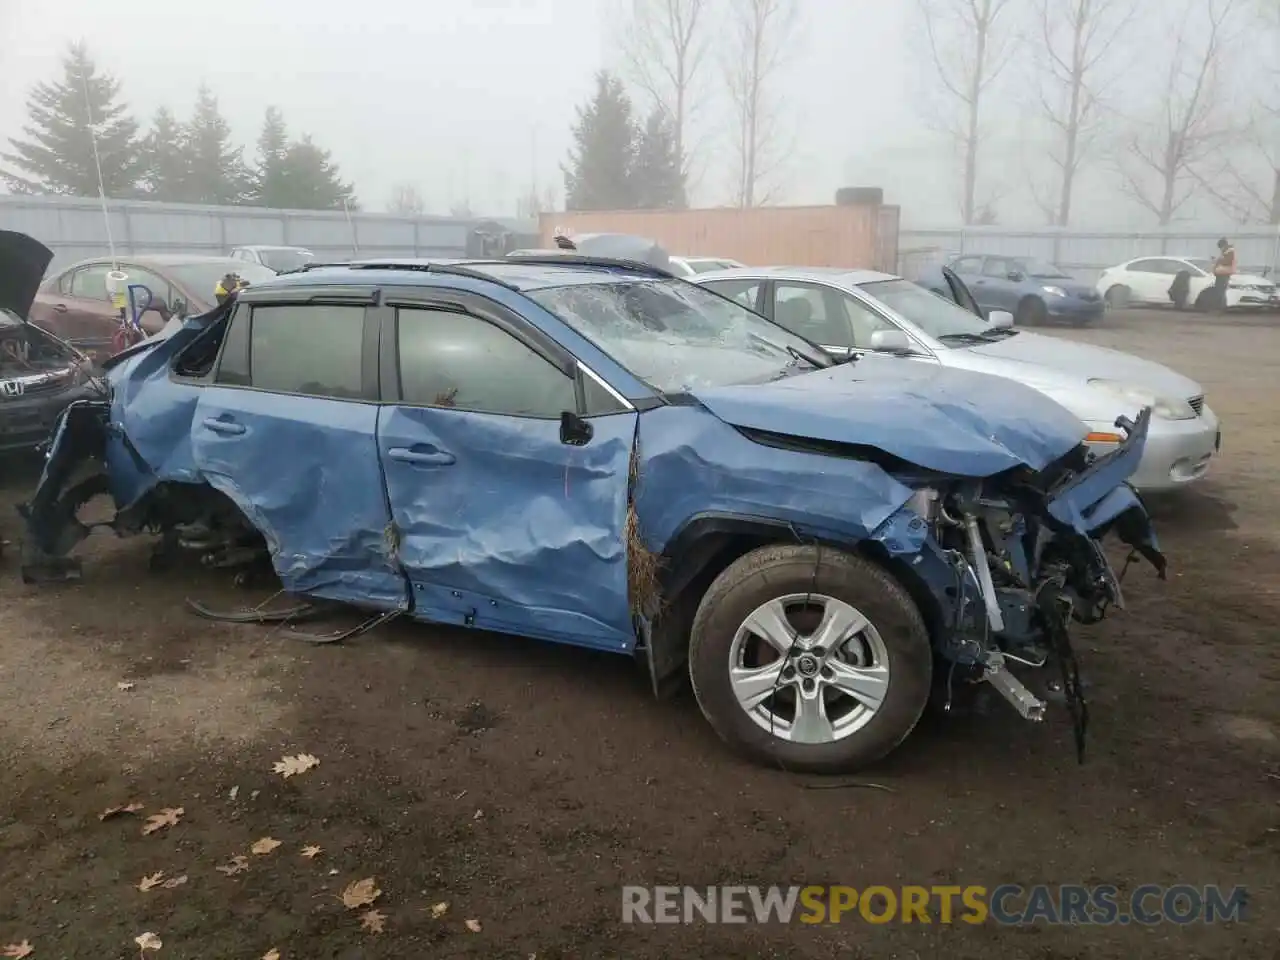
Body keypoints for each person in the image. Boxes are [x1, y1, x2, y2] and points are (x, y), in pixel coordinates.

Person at [1211, 237, 1236, 313]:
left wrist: (1217, 260)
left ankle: (1221, 308)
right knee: (1220, 291)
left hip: (1223, 274)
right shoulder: (1226, 252)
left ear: (1224, 245)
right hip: (1221, 274)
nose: (1220, 249)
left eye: (1221, 247)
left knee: (1221, 291)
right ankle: (1220, 307)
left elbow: (1226, 262)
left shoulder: (1229, 252)